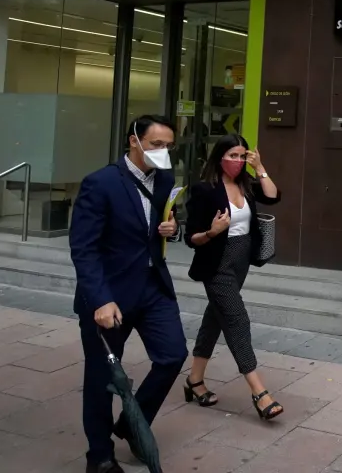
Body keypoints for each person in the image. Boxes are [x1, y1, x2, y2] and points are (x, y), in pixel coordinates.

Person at [69, 115, 186, 473]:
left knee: (172, 355)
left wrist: (171, 228)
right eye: (156, 144)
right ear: (134, 141)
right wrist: (100, 299)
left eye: (168, 146)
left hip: (153, 288)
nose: (163, 151)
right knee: (102, 377)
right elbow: (84, 248)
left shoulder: (165, 180)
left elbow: (158, 226)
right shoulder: (101, 183)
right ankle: (100, 456)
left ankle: (132, 424)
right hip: (110, 294)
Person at [183, 134, 284, 420]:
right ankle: (259, 392)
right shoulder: (205, 189)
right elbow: (191, 237)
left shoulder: (246, 184)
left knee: (215, 317)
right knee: (237, 319)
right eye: (232, 156)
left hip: (241, 261)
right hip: (216, 264)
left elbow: (273, 196)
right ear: (220, 157)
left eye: (242, 156)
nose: (238, 161)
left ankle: (194, 380)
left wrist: (259, 167)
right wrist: (212, 232)